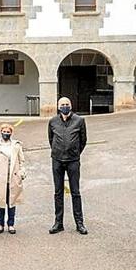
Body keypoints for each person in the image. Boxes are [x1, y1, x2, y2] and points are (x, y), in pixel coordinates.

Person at [48, 97, 88, 235]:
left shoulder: (79, 121)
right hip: (57, 160)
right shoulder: (53, 121)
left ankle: (79, 223)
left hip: (73, 161)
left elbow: (83, 140)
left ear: (71, 106)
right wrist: (57, 151)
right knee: (58, 192)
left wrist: (75, 152)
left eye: (67, 104)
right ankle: (58, 223)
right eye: (62, 105)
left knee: (75, 192)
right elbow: (51, 139)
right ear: (58, 107)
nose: (65, 106)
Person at [0, 123, 26, 234]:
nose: (6, 134)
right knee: (0, 201)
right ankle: (0, 224)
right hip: (0, 178)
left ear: (11, 133)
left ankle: (11, 224)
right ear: (0, 132)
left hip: (13, 177)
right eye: (4, 131)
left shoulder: (16, 145)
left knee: (12, 202)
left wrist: (21, 173)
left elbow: (21, 160)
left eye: (8, 132)